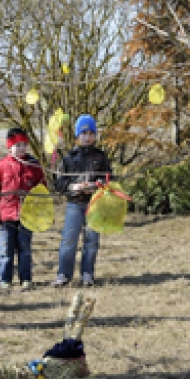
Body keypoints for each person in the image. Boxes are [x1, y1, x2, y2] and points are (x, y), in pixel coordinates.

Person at [52, 114, 112, 288]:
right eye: (84, 133)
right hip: (74, 204)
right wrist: (73, 187)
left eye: (91, 133)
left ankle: (87, 273)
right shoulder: (69, 158)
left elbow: (108, 178)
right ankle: (64, 274)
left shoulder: (101, 157)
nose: (88, 137)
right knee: (69, 240)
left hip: (94, 204)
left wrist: (97, 185)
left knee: (91, 240)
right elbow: (59, 183)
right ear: (77, 135)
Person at [0, 127, 45, 293]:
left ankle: (25, 278)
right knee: (6, 249)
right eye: (17, 145)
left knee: (25, 248)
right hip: (7, 216)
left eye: (24, 144)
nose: (21, 148)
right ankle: (5, 279)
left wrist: (39, 209)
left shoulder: (34, 165)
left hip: (27, 215)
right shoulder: (1, 167)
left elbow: (42, 189)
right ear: (9, 146)